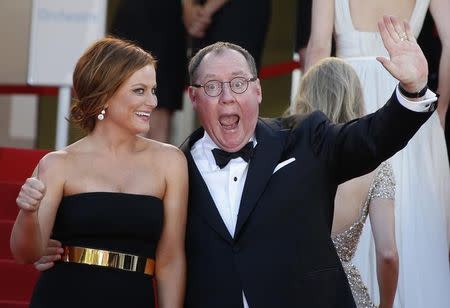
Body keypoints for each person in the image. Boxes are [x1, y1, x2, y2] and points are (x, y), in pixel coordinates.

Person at [31, 16, 436, 308]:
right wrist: (60, 244)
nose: (227, 97)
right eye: (212, 86)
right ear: (194, 98)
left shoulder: (307, 140)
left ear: (258, 91)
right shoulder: (174, 167)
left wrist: (413, 89)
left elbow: (370, 139)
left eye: (239, 84)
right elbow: (136, 229)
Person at [9, 37, 188, 308]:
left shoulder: (170, 161)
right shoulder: (58, 164)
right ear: (105, 94)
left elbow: (171, 259)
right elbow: (26, 254)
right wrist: (28, 211)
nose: (152, 101)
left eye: (153, 90)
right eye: (139, 90)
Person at [304, 1, 450, 307]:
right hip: (410, 97)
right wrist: (441, 108)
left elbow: (318, 48)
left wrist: (309, 125)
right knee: (414, 217)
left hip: (347, 99)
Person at [288, 57, 398, 308]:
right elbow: (388, 254)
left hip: (290, 291)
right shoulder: (377, 167)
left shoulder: (284, 155)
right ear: (355, 98)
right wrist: (387, 305)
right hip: (346, 296)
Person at [111, 0, 187, 143]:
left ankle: (157, 162)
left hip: (166, 19)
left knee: (161, 110)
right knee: (124, 96)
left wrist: (192, 8)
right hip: (137, 17)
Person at [182, 0, 271, 70]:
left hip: (238, 12)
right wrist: (189, 6)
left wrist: (205, 12)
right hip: (200, 10)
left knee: (232, 76)